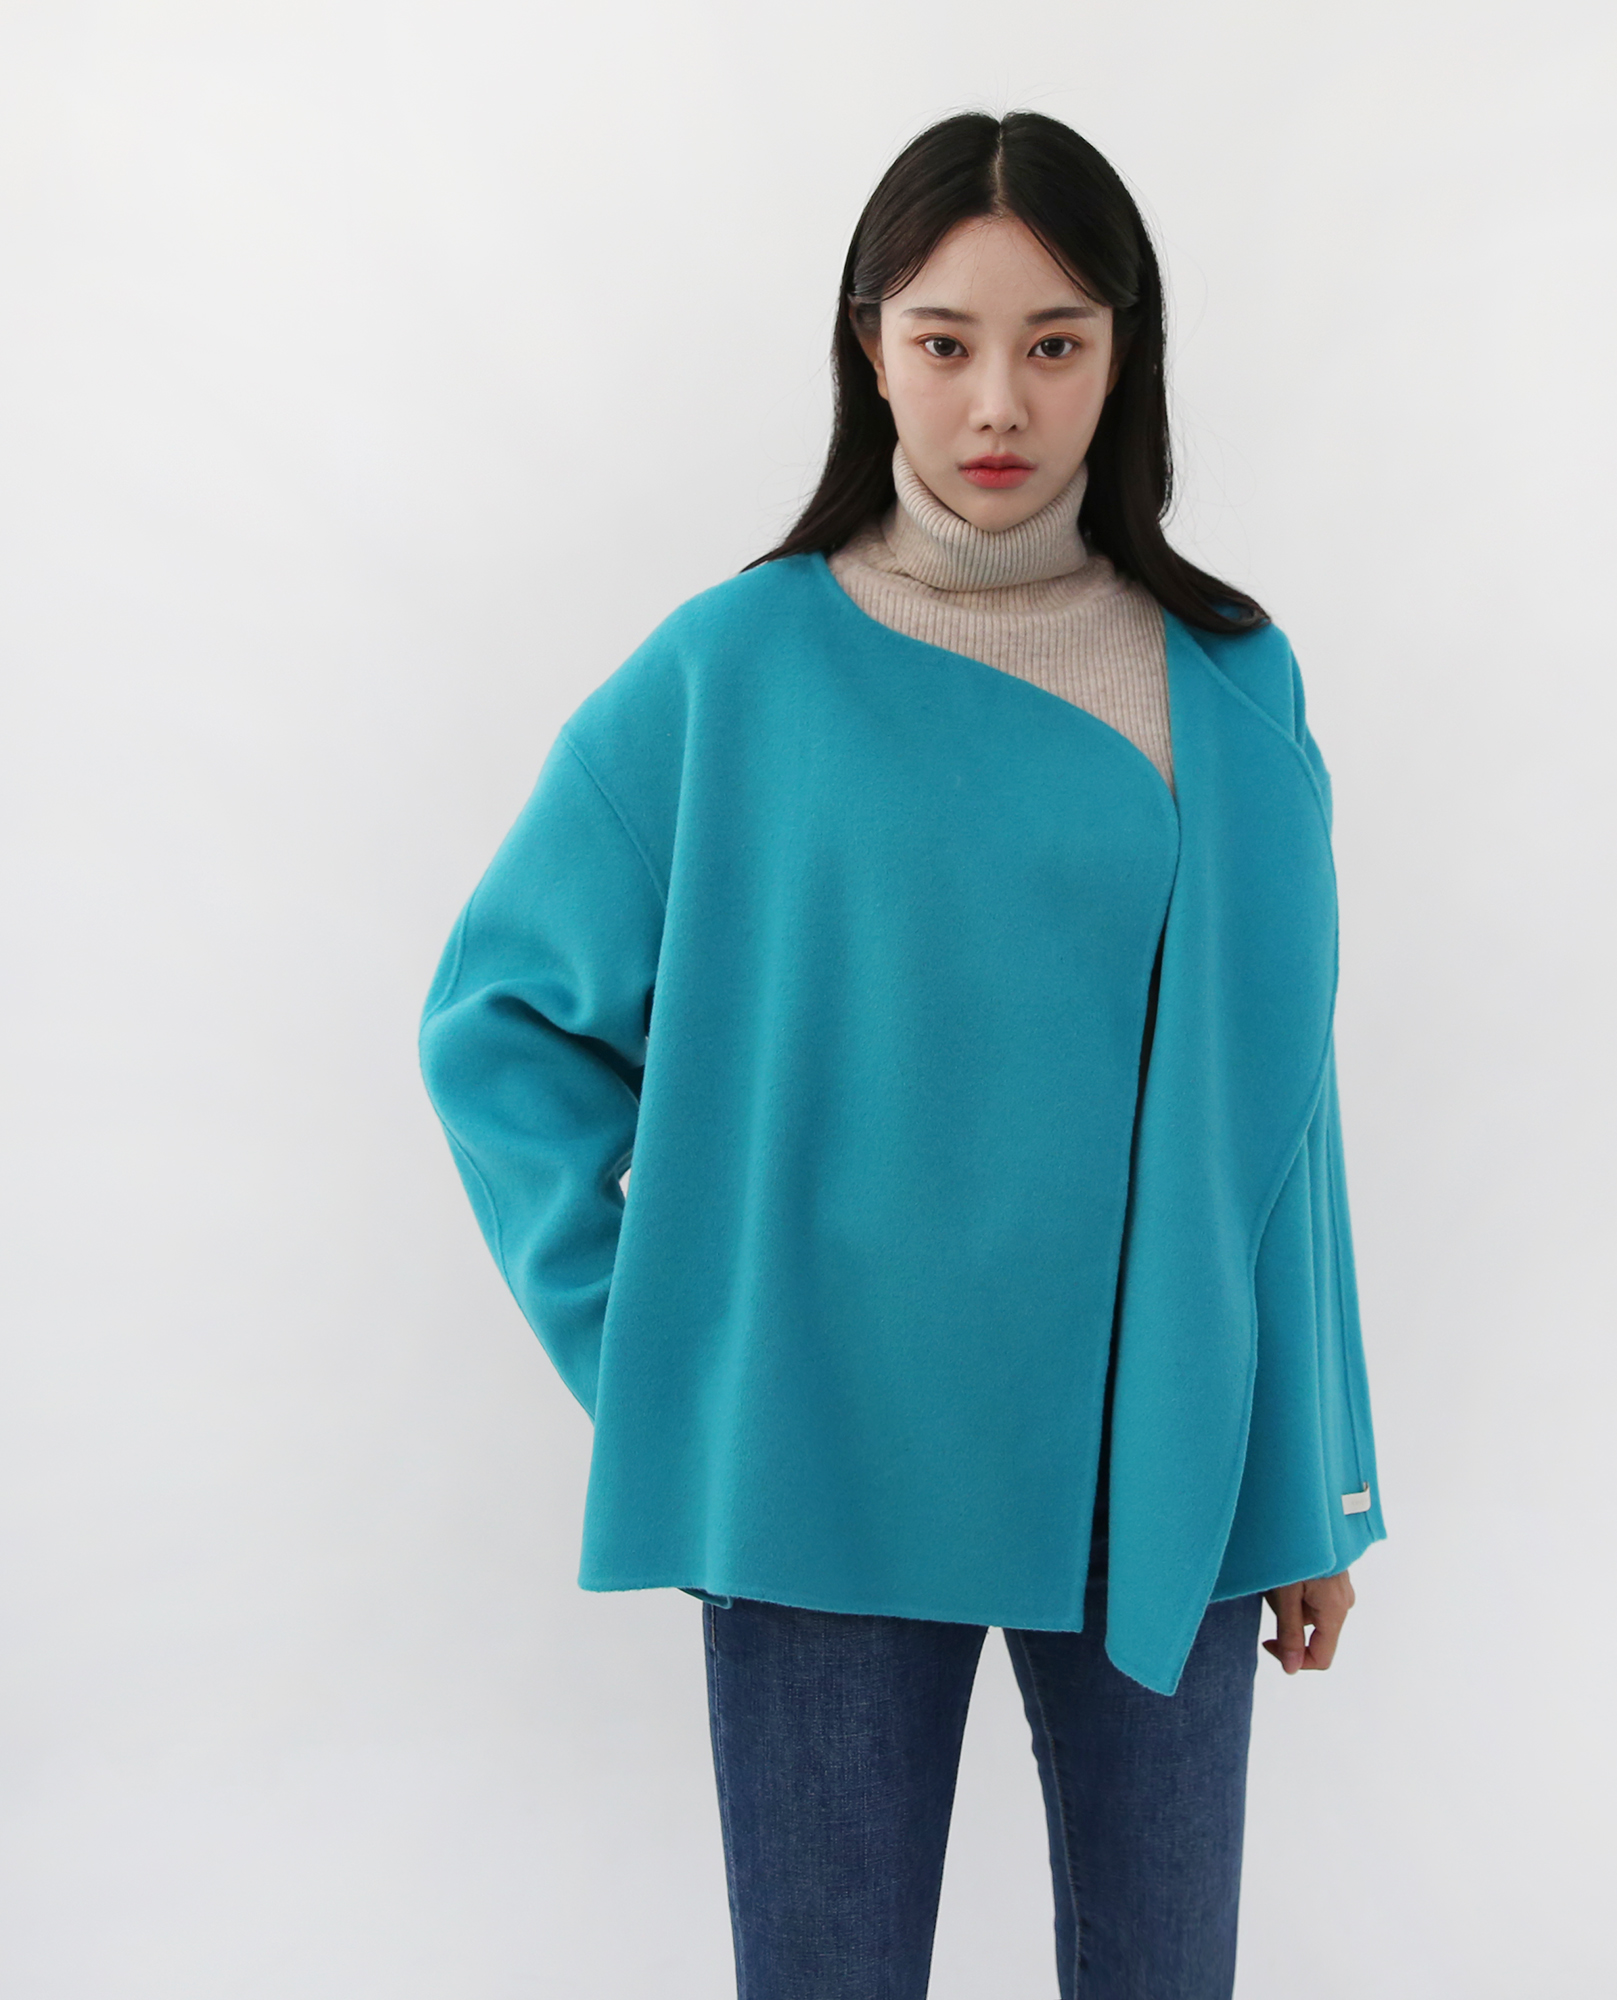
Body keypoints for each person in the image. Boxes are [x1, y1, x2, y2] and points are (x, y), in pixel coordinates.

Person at [418, 108, 1384, 2000]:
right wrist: (685, 1366)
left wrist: (1308, 1473)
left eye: (1054, 342)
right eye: (945, 341)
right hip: (822, 1469)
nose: (997, 400)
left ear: (1125, 355)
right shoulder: (730, 671)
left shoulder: (1229, 676)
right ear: (870, 350)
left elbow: (1277, 1124)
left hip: (1153, 1457)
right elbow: (500, 1024)